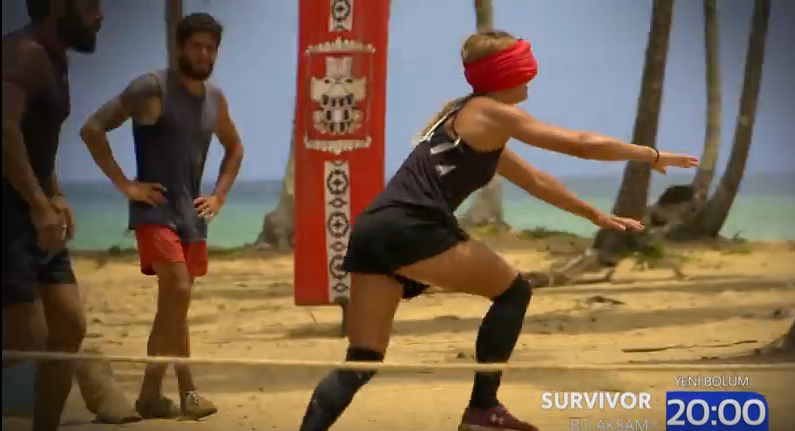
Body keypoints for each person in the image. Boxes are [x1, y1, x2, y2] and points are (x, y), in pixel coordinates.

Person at [296, 30, 699, 431]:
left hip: (374, 228)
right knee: (514, 292)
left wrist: (595, 215)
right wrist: (651, 155)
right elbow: (582, 144)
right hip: (412, 226)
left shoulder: (471, 121)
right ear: (508, 74)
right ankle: (482, 409)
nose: (532, 78)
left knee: (363, 358)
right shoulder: (490, 112)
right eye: (525, 68)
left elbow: (537, 181)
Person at [80, 12, 244, 421]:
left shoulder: (215, 100)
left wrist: (219, 196)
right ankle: (183, 391)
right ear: (180, 47)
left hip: (192, 216)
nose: (204, 54)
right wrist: (126, 185)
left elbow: (235, 149)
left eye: (211, 48)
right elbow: (92, 129)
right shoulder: (151, 88)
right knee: (179, 290)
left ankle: (153, 395)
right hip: (154, 210)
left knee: (175, 302)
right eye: (197, 46)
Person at [2, 0, 140, 429]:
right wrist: (39, 204)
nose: (100, 15)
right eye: (91, 4)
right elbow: (3, 132)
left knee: (68, 326)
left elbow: (37, 143)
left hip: (34, 209)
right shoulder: (22, 53)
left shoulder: (55, 58)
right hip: (9, 214)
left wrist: (55, 194)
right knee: (23, 337)